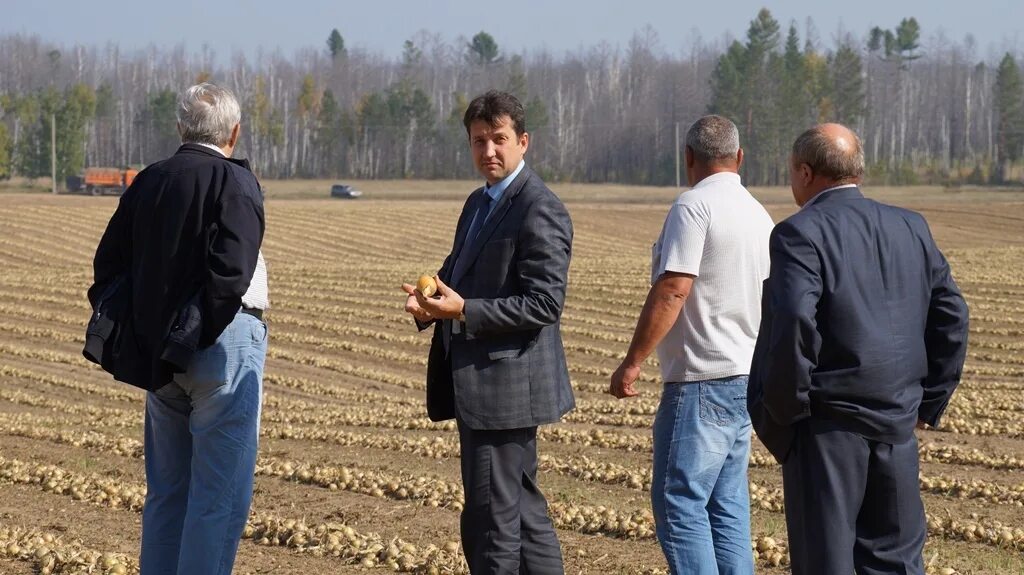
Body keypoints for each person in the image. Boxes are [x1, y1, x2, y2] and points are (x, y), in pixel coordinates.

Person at [747, 123, 969, 575]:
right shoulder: (910, 225)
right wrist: (929, 401)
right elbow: (952, 315)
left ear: (805, 172)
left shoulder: (799, 233)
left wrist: (786, 413)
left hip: (828, 427)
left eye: (791, 172)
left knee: (827, 561)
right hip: (897, 423)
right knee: (897, 562)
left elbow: (792, 321)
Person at [89, 82, 268, 575]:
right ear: (234, 132)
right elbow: (231, 275)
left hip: (160, 355)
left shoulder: (148, 181)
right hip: (220, 347)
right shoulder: (235, 182)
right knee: (219, 497)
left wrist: (156, 335)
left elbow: (107, 269)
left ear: (179, 129)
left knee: (167, 493)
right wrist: (195, 333)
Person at [401, 90, 574, 574]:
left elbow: (544, 303)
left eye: (499, 139)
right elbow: (458, 274)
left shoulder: (539, 207)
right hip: (485, 387)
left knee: (491, 522)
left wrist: (464, 311)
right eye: (479, 141)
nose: (489, 151)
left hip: (507, 389)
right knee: (521, 511)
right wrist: (431, 302)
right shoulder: (479, 202)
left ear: (523, 142)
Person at [609, 115, 773, 575]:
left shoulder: (693, 207)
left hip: (701, 381)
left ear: (688, 159)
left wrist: (632, 362)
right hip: (747, 378)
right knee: (727, 508)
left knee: (679, 505)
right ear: (740, 158)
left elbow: (673, 288)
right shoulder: (759, 213)